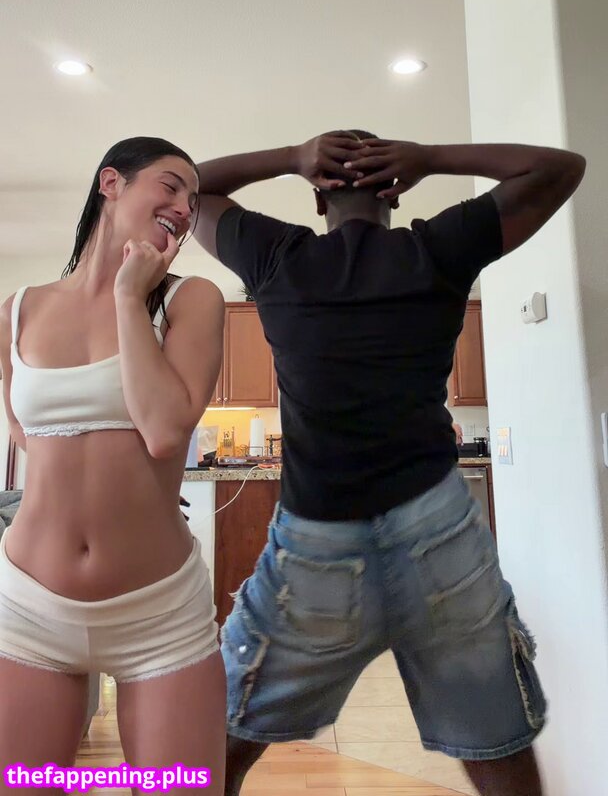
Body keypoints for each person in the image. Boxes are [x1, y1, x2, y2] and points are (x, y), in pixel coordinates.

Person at [193, 131, 586, 796]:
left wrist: (290, 158)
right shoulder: (437, 249)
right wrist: (432, 158)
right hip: (439, 532)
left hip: (317, 541)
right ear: (395, 194)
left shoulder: (277, 254)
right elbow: (558, 168)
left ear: (319, 200)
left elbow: (189, 186)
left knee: (217, 741)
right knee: (497, 749)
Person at [0, 137, 226, 795]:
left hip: (160, 618)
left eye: (193, 199)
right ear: (111, 183)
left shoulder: (190, 300)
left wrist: (131, 296)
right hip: (29, 610)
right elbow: (25, 435)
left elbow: (164, 431)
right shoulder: (16, 311)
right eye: (171, 185)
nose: (183, 207)